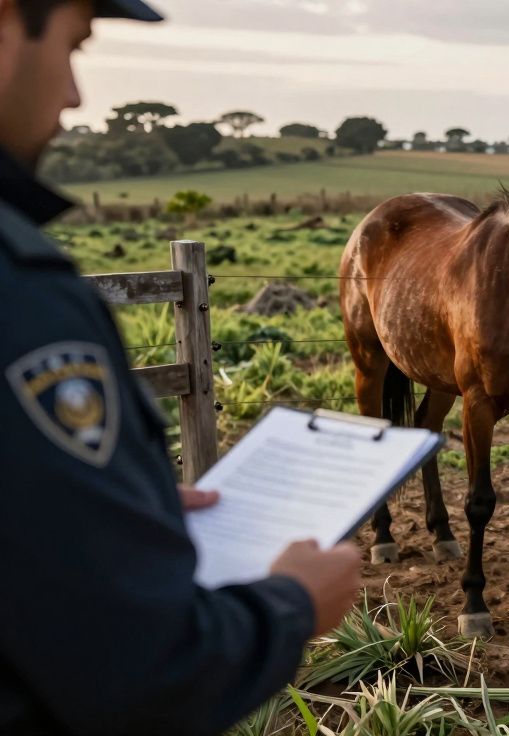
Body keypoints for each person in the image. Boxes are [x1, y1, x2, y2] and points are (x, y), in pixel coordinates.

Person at [0, 1, 363, 733]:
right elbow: (137, 670)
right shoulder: (22, 294)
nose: (73, 94)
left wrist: (107, 493)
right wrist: (291, 604)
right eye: (73, 44)